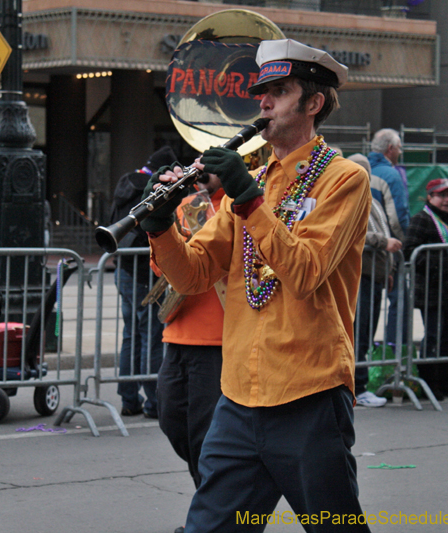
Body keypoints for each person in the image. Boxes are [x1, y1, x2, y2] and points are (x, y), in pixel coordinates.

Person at [141, 39, 371, 532]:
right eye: (262, 90)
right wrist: (161, 227)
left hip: (308, 395)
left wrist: (246, 201)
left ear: (314, 103)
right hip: (239, 398)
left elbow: (306, 271)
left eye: (280, 91)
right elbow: (195, 274)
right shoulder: (255, 180)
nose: (262, 101)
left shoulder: (344, 179)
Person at [154, 171, 225, 533]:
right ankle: (217, 510)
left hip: (218, 339)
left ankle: (209, 520)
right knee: (171, 420)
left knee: (206, 438)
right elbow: (162, 267)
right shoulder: (186, 202)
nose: (201, 165)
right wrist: (159, 220)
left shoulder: (237, 201)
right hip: (178, 333)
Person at [109, 146, 176, 417]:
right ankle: (154, 401)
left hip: (123, 269)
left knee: (131, 334)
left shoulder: (127, 183)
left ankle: (128, 398)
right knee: (150, 337)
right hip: (143, 273)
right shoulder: (149, 189)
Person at [403, 178, 448, 401]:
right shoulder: (421, 219)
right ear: (430, 197)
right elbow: (409, 250)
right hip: (432, 290)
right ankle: (429, 383)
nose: (447, 200)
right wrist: (436, 264)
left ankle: (444, 380)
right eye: (442, 195)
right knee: (433, 335)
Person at [348, 153, 399, 408]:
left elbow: (383, 230)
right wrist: (383, 243)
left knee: (366, 332)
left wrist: (388, 271)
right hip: (360, 276)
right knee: (360, 333)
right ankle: (357, 386)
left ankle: (359, 385)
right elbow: (355, 234)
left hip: (375, 276)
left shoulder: (372, 200)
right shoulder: (350, 199)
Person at [368, 128, 410, 351]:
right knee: (398, 301)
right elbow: (397, 219)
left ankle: (366, 356)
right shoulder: (391, 175)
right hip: (387, 251)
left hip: (363, 252)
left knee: (365, 310)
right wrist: (403, 245)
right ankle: (394, 352)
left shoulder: (359, 169)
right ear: (390, 149)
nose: (400, 152)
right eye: (400, 147)